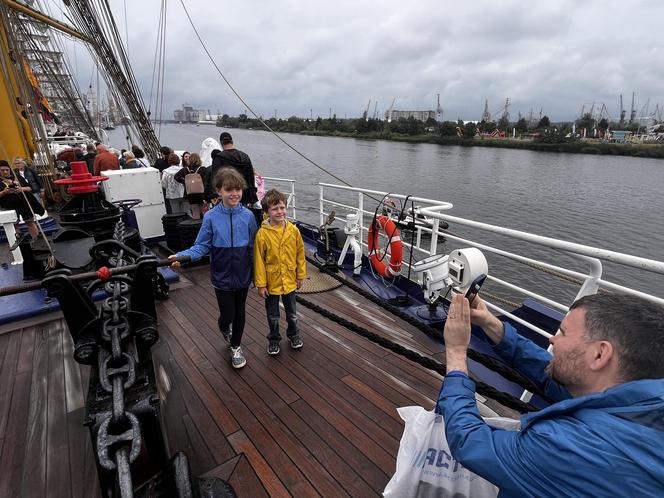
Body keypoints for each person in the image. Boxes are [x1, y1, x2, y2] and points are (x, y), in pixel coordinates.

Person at [438, 292, 664, 497]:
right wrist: (492, 324)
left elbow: (469, 441)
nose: (552, 339)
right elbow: (556, 376)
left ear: (599, 354)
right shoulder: (644, 405)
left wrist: (456, 352)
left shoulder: (566, 447)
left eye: (563, 332)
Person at [170, 168, 257, 369]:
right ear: (219, 191)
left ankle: (236, 346)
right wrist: (182, 257)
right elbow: (201, 245)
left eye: (238, 189)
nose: (235, 194)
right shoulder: (210, 217)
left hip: (243, 273)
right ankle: (223, 326)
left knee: (240, 312)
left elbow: (254, 246)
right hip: (222, 275)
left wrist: (256, 273)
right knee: (228, 315)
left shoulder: (249, 216)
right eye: (229, 190)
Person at [254, 189, 306, 355]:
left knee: (292, 314)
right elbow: (259, 261)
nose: (280, 212)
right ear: (267, 212)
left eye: (282, 207)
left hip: (290, 279)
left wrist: (300, 275)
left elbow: (300, 254)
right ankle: (274, 339)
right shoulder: (262, 234)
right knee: (273, 316)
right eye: (275, 209)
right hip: (272, 282)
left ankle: (293, 334)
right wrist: (261, 284)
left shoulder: (293, 231)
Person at [204, 133, 259, 221]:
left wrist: (213, 196)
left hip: (226, 195)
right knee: (242, 219)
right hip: (243, 195)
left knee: (225, 220)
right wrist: (252, 197)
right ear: (232, 141)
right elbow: (251, 178)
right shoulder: (245, 156)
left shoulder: (219, 158)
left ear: (221, 143)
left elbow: (215, 180)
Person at [0, 160, 44, 239]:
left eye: (7, 169)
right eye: (2, 170)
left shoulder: (17, 177)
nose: (5, 172)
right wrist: (4, 192)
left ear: (10, 169)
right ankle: (19, 245)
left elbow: (29, 188)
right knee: (14, 225)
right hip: (8, 207)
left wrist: (21, 189)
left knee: (30, 222)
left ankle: (37, 240)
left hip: (23, 204)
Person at [174, 152, 205, 219]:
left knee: (195, 211)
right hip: (201, 193)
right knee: (204, 211)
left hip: (190, 193)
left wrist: (185, 182)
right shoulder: (202, 169)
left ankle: (195, 227)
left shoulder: (185, 169)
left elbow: (176, 177)